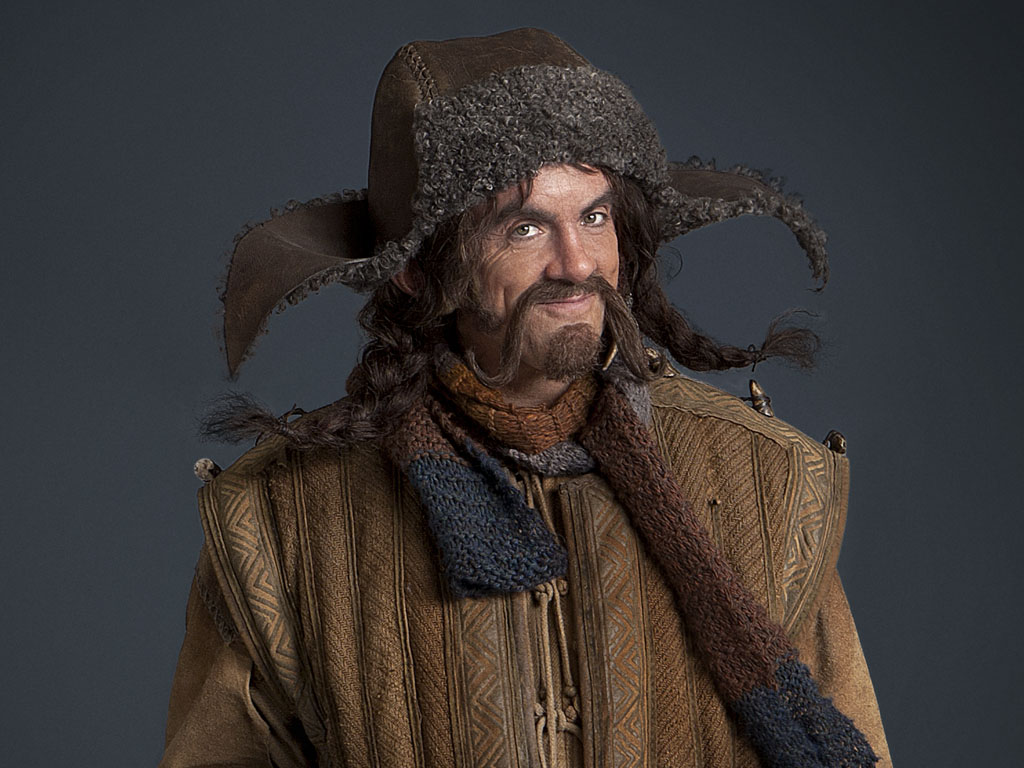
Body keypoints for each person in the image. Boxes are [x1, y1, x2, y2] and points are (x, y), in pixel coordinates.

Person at [161, 28, 891, 768]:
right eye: (526, 227)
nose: (577, 264)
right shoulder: (282, 520)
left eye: (594, 217)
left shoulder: (769, 482)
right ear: (418, 270)